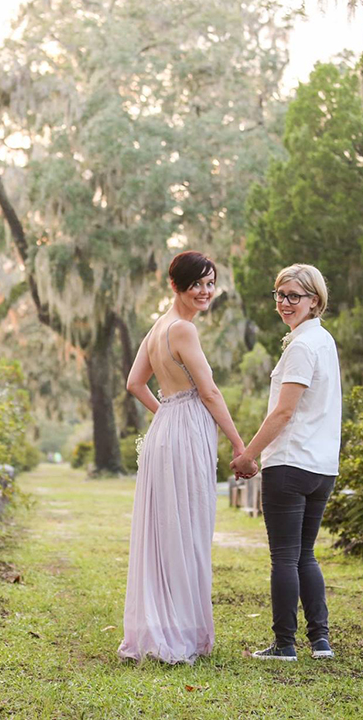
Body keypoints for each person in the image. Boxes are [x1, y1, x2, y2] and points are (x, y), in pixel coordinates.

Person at [118, 251, 246, 664]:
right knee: (186, 529)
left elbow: (135, 383)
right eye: (197, 284)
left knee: (166, 531)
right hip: (185, 429)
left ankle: (165, 626)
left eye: (211, 283)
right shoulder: (183, 331)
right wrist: (240, 446)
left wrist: (167, 415)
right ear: (176, 286)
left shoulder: (158, 328)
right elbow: (209, 393)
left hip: (165, 432)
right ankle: (181, 633)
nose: (206, 291)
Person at [232, 263, 341, 662]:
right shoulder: (323, 341)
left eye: (294, 296)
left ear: (315, 301)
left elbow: (283, 413)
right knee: (304, 554)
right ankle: (321, 641)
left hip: (291, 464)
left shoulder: (301, 347)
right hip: (322, 467)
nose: (285, 303)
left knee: (284, 556)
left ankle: (284, 645)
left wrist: (247, 454)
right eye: (280, 295)